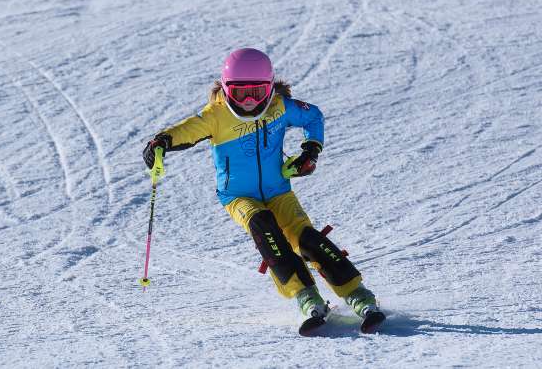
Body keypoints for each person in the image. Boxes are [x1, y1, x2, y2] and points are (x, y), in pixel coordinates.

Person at [142, 48, 379, 323]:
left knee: (307, 238)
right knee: (263, 226)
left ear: (270, 86)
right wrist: (161, 141)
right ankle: (306, 297)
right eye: (241, 93)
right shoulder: (216, 116)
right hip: (238, 196)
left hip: (279, 190)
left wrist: (310, 150)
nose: (249, 101)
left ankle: (358, 295)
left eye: (257, 92)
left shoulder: (279, 107)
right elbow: (187, 129)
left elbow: (313, 117)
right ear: (226, 89)